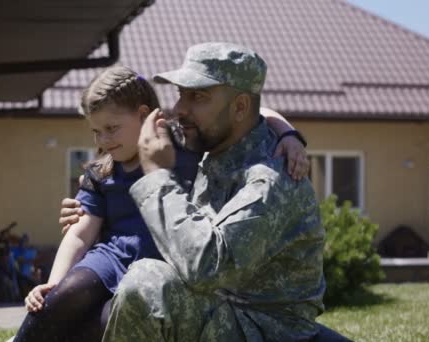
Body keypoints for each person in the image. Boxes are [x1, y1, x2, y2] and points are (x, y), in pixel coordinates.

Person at [13, 65, 309, 342]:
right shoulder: (101, 173)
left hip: (161, 265)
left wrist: (289, 134)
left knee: (109, 320)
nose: (103, 139)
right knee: (67, 294)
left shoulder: (178, 142)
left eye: (112, 128)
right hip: (110, 259)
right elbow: (79, 234)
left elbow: (255, 113)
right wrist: (52, 285)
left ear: (143, 115)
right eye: (96, 131)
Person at [96, 43, 326, 341]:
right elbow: (260, 111)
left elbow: (206, 268)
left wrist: (156, 175)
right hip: (227, 307)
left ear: (240, 107)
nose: (179, 109)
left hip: (268, 327)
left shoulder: (268, 180)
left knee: (146, 284)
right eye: (180, 94)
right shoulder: (219, 146)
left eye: (197, 96)